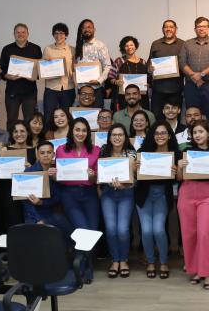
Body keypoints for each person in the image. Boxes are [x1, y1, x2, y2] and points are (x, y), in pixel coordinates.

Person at [176, 120, 209, 290]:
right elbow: (179, 178)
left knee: (205, 232)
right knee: (189, 234)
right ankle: (196, 270)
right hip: (187, 193)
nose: (197, 135)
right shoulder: (186, 151)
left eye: (200, 131)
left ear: (208, 133)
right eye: (195, 132)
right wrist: (180, 168)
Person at [56, 117, 100, 281]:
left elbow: (97, 180)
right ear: (71, 131)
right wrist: (53, 175)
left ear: (88, 132)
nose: (80, 133)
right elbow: (59, 176)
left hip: (89, 194)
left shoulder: (95, 150)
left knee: (93, 232)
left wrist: (93, 175)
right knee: (83, 230)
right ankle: (82, 269)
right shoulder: (61, 150)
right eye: (77, 130)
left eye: (83, 130)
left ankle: (83, 264)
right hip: (70, 195)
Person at [135, 121, 180, 279]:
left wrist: (176, 172)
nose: (160, 136)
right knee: (146, 231)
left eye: (163, 133)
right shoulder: (143, 152)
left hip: (162, 195)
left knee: (159, 229)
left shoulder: (175, 153)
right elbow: (135, 175)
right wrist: (135, 167)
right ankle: (151, 262)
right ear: (152, 135)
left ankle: (164, 262)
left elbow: (179, 178)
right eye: (157, 133)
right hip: (144, 196)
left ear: (169, 136)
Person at [98, 123, 137, 279]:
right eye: (114, 135)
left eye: (120, 134)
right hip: (108, 194)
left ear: (125, 137)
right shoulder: (103, 151)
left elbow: (135, 180)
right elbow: (101, 175)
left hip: (126, 194)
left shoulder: (131, 154)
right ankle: (115, 260)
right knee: (111, 229)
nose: (117, 137)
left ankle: (124, 260)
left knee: (122, 229)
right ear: (109, 137)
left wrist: (124, 184)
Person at [180, 16, 209, 124]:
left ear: (208, 28)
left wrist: (201, 74)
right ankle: (193, 137)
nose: (201, 29)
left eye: (204, 26)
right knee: (192, 114)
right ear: (195, 29)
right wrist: (194, 76)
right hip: (191, 85)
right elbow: (182, 62)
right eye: (199, 26)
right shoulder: (187, 44)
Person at [0, 119, 36, 235]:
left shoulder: (35, 150)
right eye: (15, 131)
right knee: (12, 226)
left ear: (28, 132)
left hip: (28, 194)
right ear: (11, 134)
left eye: (22, 131)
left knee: (29, 227)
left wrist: (31, 168)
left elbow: (40, 173)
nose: (19, 134)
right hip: (8, 193)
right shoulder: (4, 150)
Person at [0, 23, 42, 123]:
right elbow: (2, 69)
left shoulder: (36, 49)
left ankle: (29, 139)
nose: (20, 34)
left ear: (27, 34)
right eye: (18, 32)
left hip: (30, 92)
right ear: (14, 34)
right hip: (12, 92)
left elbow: (41, 70)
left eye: (23, 32)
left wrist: (34, 76)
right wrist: (7, 76)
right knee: (11, 120)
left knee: (30, 120)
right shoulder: (7, 49)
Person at [22, 141, 69, 231]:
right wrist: (38, 219)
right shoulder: (29, 172)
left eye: (49, 152)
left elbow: (58, 198)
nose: (46, 155)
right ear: (38, 155)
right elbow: (25, 201)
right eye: (42, 153)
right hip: (33, 214)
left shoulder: (57, 171)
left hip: (50, 211)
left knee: (69, 233)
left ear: (54, 154)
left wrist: (42, 202)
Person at [148, 19, 185, 122]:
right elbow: (149, 63)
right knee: (157, 118)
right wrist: (150, 68)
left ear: (176, 29)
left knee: (175, 119)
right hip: (158, 90)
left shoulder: (183, 44)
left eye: (171, 27)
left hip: (176, 90)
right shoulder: (155, 44)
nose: (168, 29)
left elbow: (186, 64)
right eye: (166, 27)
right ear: (162, 29)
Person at [42, 22, 76, 117]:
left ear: (66, 35)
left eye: (61, 33)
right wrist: (47, 65)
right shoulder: (48, 49)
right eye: (56, 33)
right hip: (51, 88)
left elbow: (74, 68)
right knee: (49, 115)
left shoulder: (72, 49)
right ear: (53, 35)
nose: (58, 36)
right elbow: (44, 69)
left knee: (66, 115)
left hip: (68, 87)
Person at [108, 35, 149, 112]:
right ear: (123, 48)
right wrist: (116, 82)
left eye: (131, 45)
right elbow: (111, 77)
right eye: (126, 46)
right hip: (123, 98)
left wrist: (147, 84)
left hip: (141, 98)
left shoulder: (143, 62)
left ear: (135, 46)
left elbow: (148, 79)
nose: (129, 47)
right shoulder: (119, 61)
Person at [77, 19, 111, 107]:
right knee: (82, 116)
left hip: (96, 89)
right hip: (82, 89)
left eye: (89, 27)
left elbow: (107, 66)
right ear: (81, 30)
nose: (87, 29)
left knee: (96, 115)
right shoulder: (78, 46)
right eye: (84, 28)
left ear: (94, 30)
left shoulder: (100, 45)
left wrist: (99, 81)